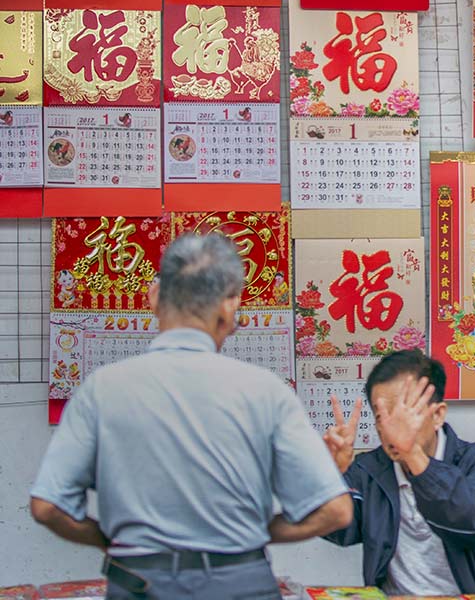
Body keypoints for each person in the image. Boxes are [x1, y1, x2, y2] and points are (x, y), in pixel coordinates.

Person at [29, 234, 352, 599]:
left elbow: (47, 506)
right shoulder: (266, 391)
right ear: (230, 307)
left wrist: (110, 540)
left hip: (140, 582)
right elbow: (335, 512)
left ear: (154, 298)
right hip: (240, 583)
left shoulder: (102, 389)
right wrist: (256, 530)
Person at [321, 350, 475, 593]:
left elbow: (473, 523)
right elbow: (339, 530)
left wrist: (413, 455)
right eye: (382, 417)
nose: (390, 429)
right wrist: (330, 475)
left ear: (438, 414)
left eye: (404, 415)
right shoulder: (368, 469)